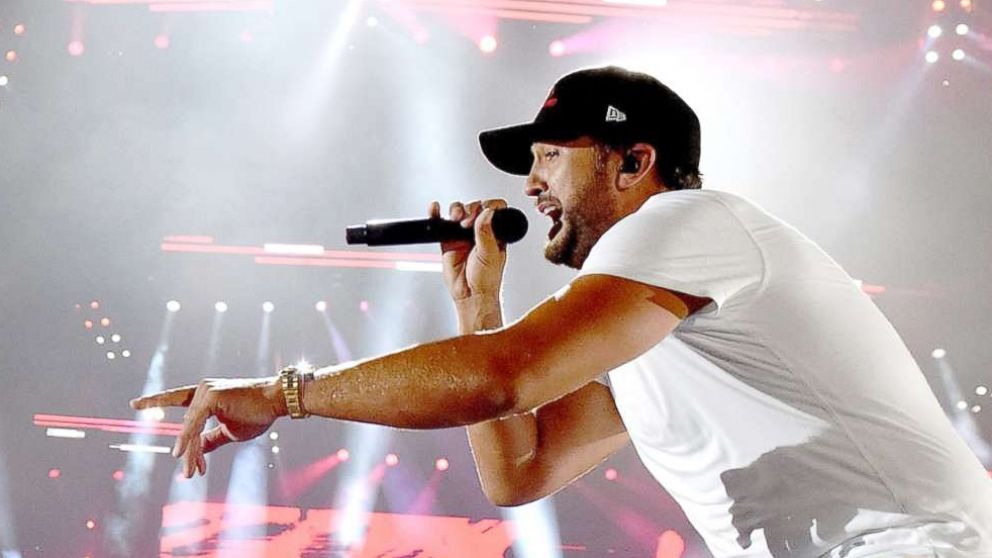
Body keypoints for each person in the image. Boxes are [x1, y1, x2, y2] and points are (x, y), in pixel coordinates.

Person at [132, 67, 992, 557]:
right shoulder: (657, 325)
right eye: (530, 161)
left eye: (552, 157)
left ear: (635, 162)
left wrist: (284, 395)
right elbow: (522, 473)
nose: (530, 183)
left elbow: (505, 381)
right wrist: (481, 311)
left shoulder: (685, 222)